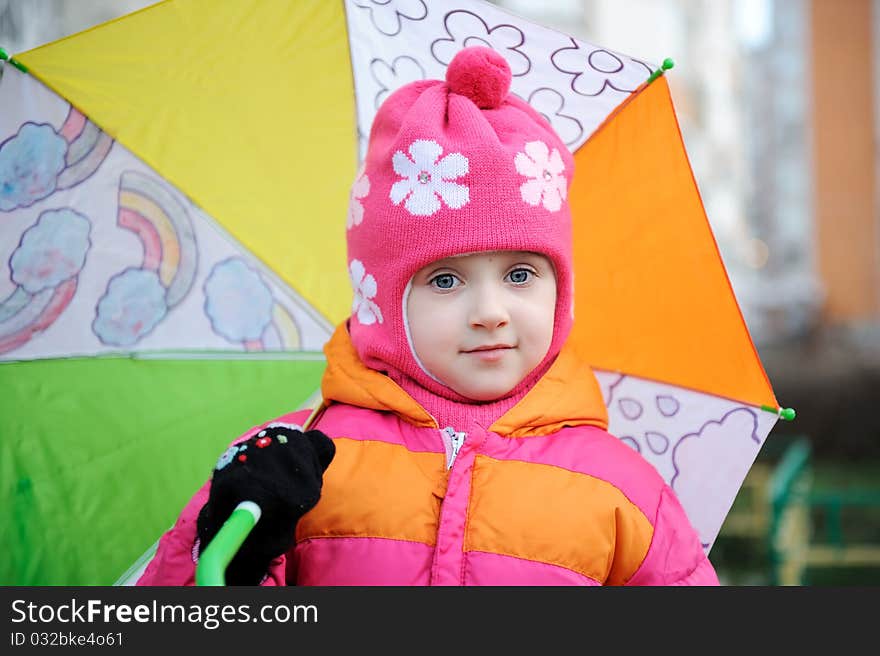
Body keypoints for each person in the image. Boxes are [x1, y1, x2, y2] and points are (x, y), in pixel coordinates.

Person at [138, 46, 719, 586]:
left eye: (520, 275)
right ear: (384, 303)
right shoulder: (296, 464)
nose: (490, 313)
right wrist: (230, 554)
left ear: (559, 291)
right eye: (444, 279)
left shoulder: (622, 490)